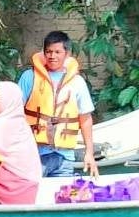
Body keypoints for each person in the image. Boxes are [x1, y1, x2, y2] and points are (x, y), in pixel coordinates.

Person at [18, 30, 98, 179]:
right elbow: (14, 112)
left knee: (61, 198)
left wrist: (89, 153)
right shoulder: (29, 77)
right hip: (34, 155)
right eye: (48, 51)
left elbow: (85, 119)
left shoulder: (77, 82)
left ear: (66, 54)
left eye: (57, 52)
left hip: (64, 158)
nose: (52, 56)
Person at [0, 81, 41, 204]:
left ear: (8, 102)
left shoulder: (0, 124)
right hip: (29, 192)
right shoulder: (22, 124)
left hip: (11, 191)